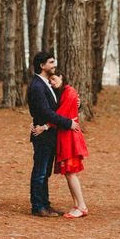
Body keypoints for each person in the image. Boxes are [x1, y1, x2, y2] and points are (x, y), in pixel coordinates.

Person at [26, 51, 80, 217]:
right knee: (40, 172)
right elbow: (45, 112)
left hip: (50, 134)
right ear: (42, 66)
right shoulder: (37, 86)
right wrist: (68, 123)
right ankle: (38, 206)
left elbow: (60, 107)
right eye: (51, 62)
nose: (54, 65)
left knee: (45, 173)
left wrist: (78, 104)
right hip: (42, 135)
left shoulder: (48, 84)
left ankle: (46, 204)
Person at [39, 72, 89, 218]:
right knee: (68, 173)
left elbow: (62, 113)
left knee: (71, 172)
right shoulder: (62, 93)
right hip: (64, 136)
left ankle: (82, 205)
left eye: (54, 79)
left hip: (70, 137)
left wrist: (45, 126)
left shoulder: (69, 92)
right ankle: (77, 205)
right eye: (50, 81)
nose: (52, 82)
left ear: (62, 76)